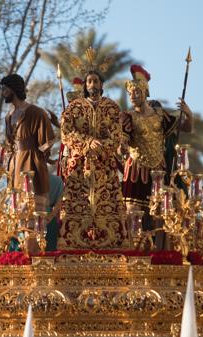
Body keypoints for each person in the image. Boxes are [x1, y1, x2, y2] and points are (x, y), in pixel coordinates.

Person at [58, 64, 128, 250]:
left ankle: (114, 239)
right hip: (80, 165)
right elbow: (66, 132)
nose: (92, 84)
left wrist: (102, 146)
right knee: (75, 202)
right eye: (89, 81)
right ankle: (70, 239)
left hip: (104, 165)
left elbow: (116, 135)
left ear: (101, 83)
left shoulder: (112, 108)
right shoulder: (74, 108)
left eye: (95, 80)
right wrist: (87, 142)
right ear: (85, 85)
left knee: (110, 202)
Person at [121, 64, 193, 232]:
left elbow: (186, 128)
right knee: (133, 213)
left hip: (158, 171)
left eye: (136, 92)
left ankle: (156, 251)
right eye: (130, 93)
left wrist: (189, 114)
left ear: (145, 92)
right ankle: (134, 251)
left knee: (159, 214)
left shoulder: (160, 115)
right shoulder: (127, 117)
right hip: (136, 170)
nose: (132, 96)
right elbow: (123, 139)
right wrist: (122, 147)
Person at [0, 73, 55, 212]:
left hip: (32, 166)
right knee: (16, 212)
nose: (3, 93)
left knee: (33, 212)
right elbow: (9, 144)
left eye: (5, 89)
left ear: (13, 89)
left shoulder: (36, 112)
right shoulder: (8, 117)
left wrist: (39, 158)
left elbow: (48, 141)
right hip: (14, 167)